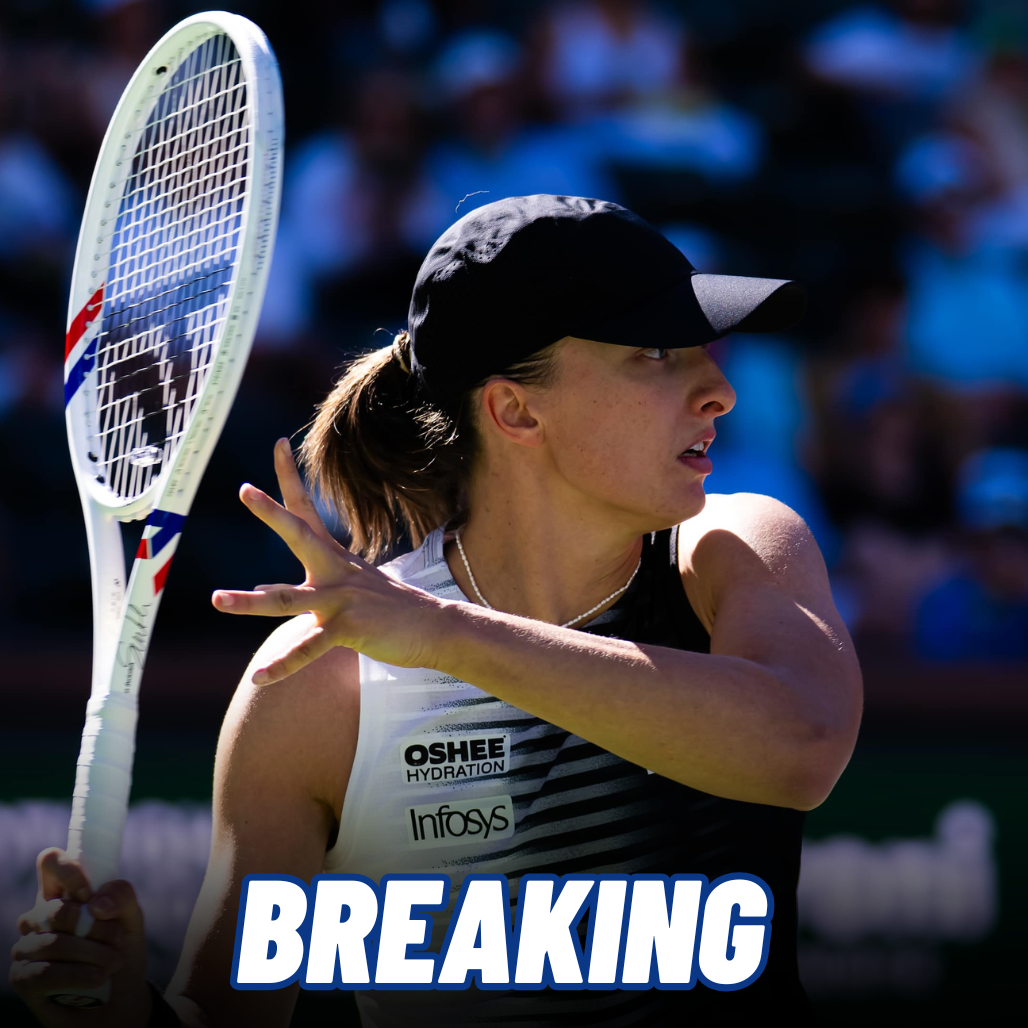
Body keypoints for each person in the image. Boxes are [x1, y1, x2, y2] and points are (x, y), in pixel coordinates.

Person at [12, 195, 863, 1026]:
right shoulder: (319, 683)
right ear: (515, 409)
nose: (719, 390)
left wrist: (444, 635)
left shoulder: (735, 547)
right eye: (655, 353)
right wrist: (124, 1010)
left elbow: (802, 749)